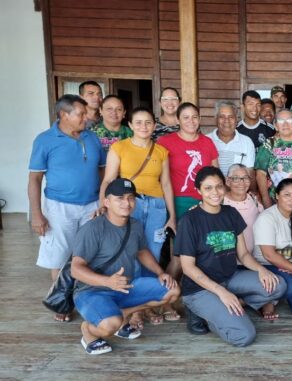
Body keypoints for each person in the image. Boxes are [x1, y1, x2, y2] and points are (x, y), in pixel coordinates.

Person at [175, 167, 285, 345]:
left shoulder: (230, 213)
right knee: (243, 336)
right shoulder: (189, 220)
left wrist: (261, 269)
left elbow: (242, 254)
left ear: (225, 187)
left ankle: (229, 304)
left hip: (230, 278)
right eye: (208, 188)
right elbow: (187, 267)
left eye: (219, 186)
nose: (215, 192)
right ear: (198, 191)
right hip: (200, 289)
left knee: (278, 285)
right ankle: (203, 313)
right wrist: (221, 292)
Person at [72, 178, 180, 355]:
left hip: (126, 286)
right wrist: (108, 282)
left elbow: (142, 251)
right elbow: (76, 269)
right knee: (109, 325)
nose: (126, 203)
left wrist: (161, 272)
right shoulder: (93, 228)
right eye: (119, 198)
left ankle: (121, 314)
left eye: (130, 198)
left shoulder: (135, 225)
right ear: (106, 202)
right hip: (92, 291)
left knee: (172, 290)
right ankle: (89, 331)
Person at [28, 94, 106, 322]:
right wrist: (36, 214)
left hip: (91, 205)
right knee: (60, 257)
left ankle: (87, 299)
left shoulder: (92, 138)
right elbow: (34, 179)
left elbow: (102, 171)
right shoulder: (44, 140)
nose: (86, 117)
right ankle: (61, 301)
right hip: (59, 207)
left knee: (90, 255)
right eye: (80, 113)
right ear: (64, 115)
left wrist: (103, 202)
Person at [99, 107, 180, 325]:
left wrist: (171, 216)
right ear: (131, 125)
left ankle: (147, 304)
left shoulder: (161, 151)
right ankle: (133, 309)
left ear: (154, 125)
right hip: (130, 203)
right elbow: (108, 180)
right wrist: (104, 205)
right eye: (138, 122)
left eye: (148, 122)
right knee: (129, 252)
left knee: (152, 253)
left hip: (156, 206)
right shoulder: (119, 147)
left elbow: (166, 184)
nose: (143, 126)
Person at [253, 179, 292, 319]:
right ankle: (266, 300)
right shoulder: (267, 218)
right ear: (277, 196)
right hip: (268, 266)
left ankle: (278, 293)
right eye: (287, 195)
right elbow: (269, 255)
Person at [157, 102, 219, 218]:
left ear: (199, 119)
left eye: (194, 117)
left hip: (205, 199)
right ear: (178, 120)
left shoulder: (207, 142)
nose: (191, 121)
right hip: (177, 200)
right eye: (186, 117)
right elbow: (159, 175)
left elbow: (215, 174)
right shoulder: (165, 142)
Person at [254, 109, 292, 209]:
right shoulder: (268, 144)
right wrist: (266, 201)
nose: (285, 124)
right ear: (275, 125)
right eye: (281, 121)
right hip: (276, 203)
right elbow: (261, 174)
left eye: (289, 120)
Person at [207, 100, 256, 182]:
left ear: (237, 119)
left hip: (238, 190)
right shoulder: (206, 140)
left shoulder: (246, 142)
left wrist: (253, 193)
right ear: (216, 119)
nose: (227, 120)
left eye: (231, 117)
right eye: (222, 117)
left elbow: (249, 172)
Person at [223, 164, 263, 254]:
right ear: (228, 181)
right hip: (228, 261)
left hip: (253, 258)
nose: (242, 182)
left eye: (245, 178)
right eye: (236, 178)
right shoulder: (220, 202)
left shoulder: (254, 199)